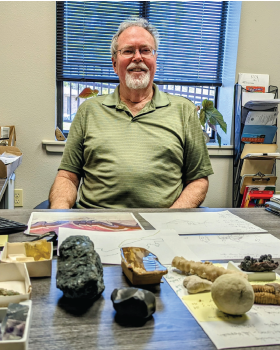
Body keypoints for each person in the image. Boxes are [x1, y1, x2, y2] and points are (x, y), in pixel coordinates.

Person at [49, 17, 214, 209]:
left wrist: (169, 222)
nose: (137, 57)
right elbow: (67, 177)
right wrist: (58, 214)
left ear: (155, 60)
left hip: (161, 226)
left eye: (145, 50)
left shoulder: (183, 110)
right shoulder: (89, 110)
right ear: (114, 64)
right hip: (96, 223)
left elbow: (198, 181)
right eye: (128, 51)